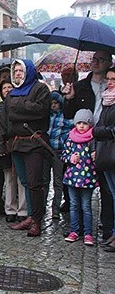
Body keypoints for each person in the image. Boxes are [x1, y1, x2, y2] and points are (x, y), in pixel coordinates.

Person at [0, 59, 51, 237]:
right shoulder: (12, 93)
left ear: (29, 71)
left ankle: (36, 220)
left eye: (21, 70)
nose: (17, 73)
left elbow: (40, 110)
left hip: (34, 143)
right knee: (25, 182)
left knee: (35, 184)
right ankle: (30, 216)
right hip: (16, 144)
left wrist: (17, 107)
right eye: (16, 71)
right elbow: (5, 120)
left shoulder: (40, 89)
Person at [62, 50, 114, 243]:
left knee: (107, 189)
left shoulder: (111, 85)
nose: (96, 63)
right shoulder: (81, 85)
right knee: (76, 188)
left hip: (106, 142)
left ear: (109, 62)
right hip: (83, 143)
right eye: (94, 59)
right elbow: (69, 115)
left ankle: (107, 229)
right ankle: (78, 228)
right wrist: (69, 98)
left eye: (101, 59)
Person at [0, 79, 26, 223]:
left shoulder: (19, 104)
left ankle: (23, 210)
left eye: (10, 87)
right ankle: (10, 209)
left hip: (18, 145)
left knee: (21, 179)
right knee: (9, 179)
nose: (7, 90)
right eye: (4, 88)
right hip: (4, 147)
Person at [61, 109, 98, 246]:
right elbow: (63, 155)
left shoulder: (92, 140)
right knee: (74, 205)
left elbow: (96, 157)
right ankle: (74, 230)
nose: (81, 126)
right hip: (72, 178)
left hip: (87, 179)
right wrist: (70, 158)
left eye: (85, 123)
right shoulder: (70, 138)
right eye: (79, 123)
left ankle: (88, 233)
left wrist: (94, 157)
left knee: (86, 206)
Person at [93, 66, 115, 251]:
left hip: (112, 153)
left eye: (113, 79)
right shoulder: (107, 101)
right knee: (110, 194)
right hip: (106, 153)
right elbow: (97, 128)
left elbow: (105, 130)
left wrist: (103, 132)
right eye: (108, 78)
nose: (110, 82)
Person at [46, 91, 73, 219]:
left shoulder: (65, 117)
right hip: (47, 151)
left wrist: (64, 141)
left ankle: (55, 209)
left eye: (56, 103)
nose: (54, 106)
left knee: (58, 182)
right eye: (51, 103)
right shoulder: (47, 116)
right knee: (45, 181)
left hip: (59, 152)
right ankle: (43, 208)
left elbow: (70, 131)